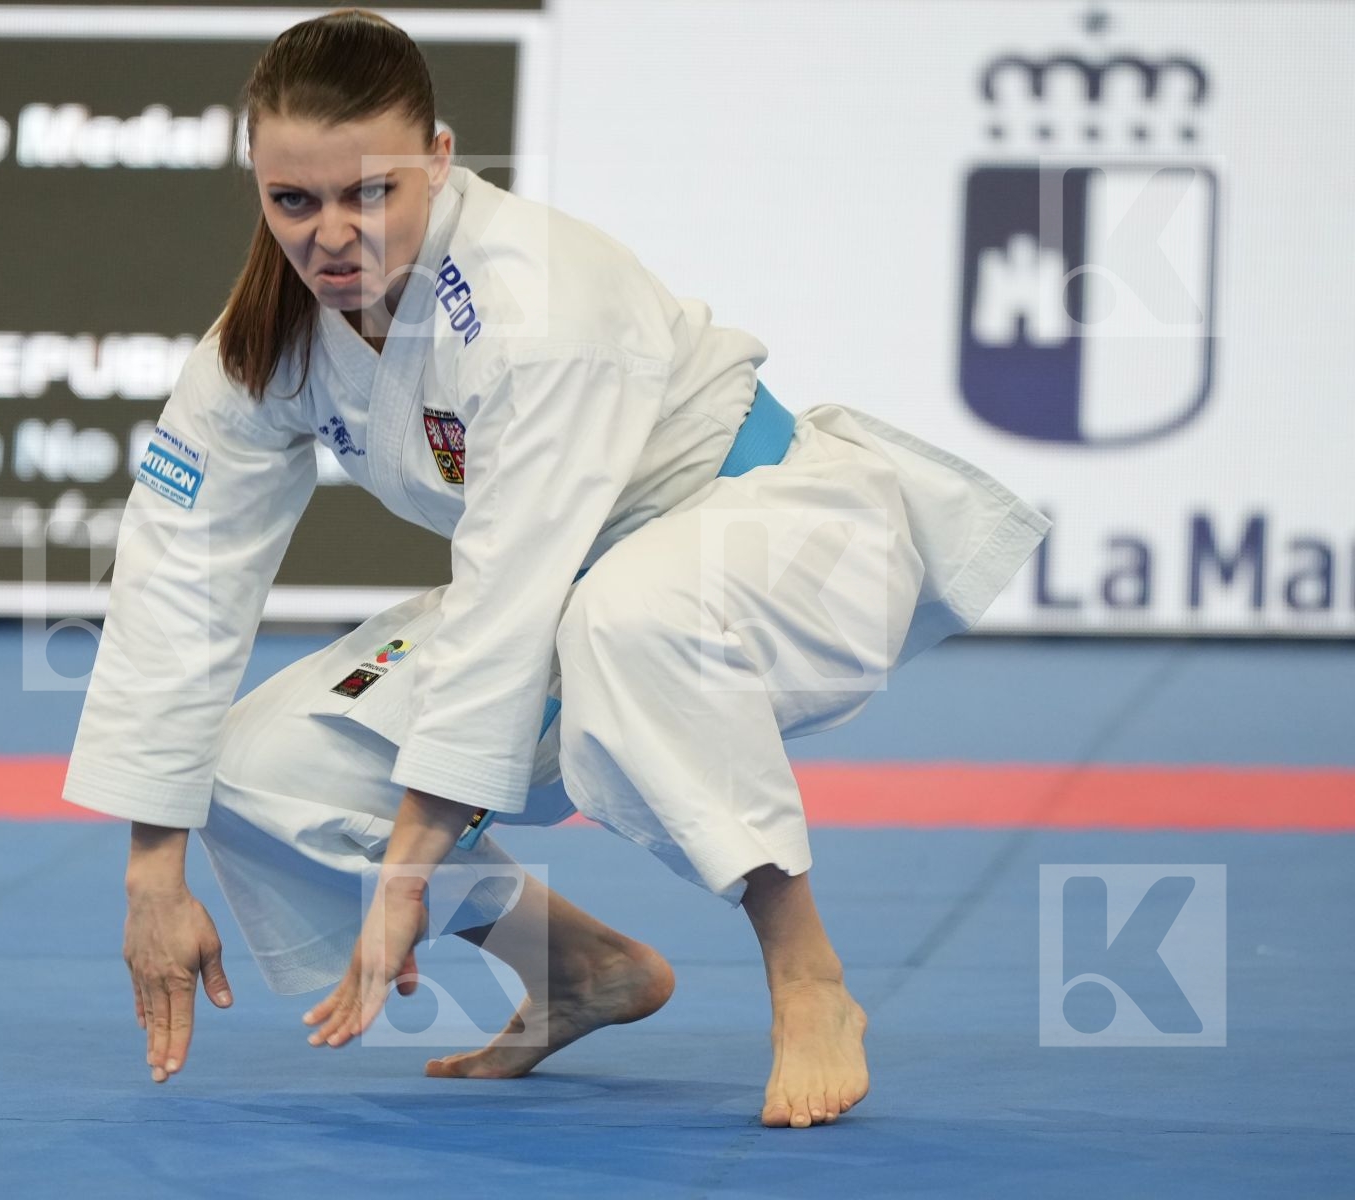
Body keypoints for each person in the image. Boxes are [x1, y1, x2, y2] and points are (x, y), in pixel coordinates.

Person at [63, 8, 1049, 1129]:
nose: (330, 235)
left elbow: (507, 596)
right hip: (573, 584)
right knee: (259, 767)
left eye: (370, 193)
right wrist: (153, 865)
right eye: (293, 201)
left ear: (440, 158)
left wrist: (405, 877)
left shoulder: (536, 301)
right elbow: (174, 576)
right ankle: (579, 968)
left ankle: (807, 973)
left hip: (776, 534)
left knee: (627, 617)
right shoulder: (263, 341)